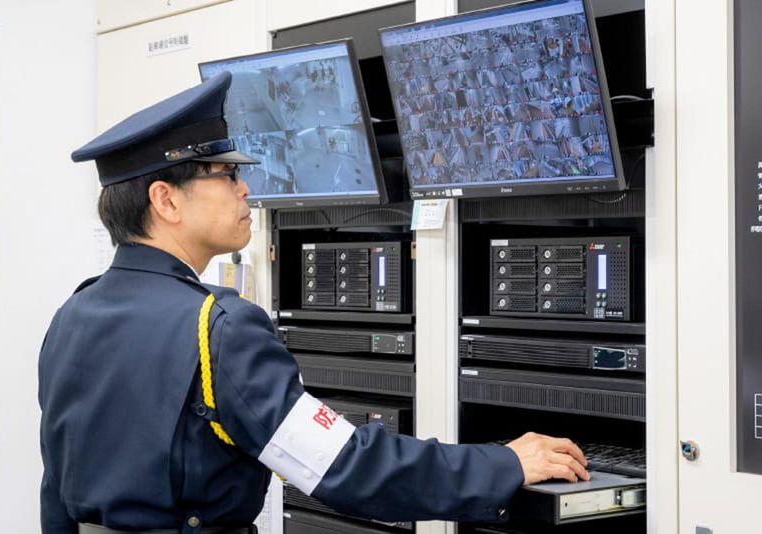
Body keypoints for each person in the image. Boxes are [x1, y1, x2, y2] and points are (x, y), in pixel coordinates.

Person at [39, 72, 589, 534]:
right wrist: (505, 463)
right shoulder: (217, 326)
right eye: (227, 174)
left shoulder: (74, 315)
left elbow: (57, 493)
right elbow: (345, 466)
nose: (245, 190)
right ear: (165, 200)